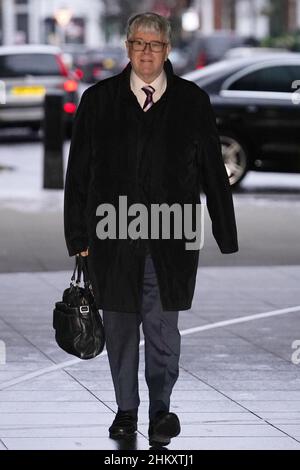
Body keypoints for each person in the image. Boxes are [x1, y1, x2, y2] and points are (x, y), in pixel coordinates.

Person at [64, 12, 238, 447]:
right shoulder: (98, 100)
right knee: (121, 333)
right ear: (128, 48)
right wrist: (78, 238)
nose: (146, 52)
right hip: (111, 240)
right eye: (139, 44)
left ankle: (161, 410)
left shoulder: (191, 101)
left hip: (171, 241)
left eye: (155, 45)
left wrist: (225, 231)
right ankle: (126, 412)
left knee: (163, 333)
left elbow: (213, 170)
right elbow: (78, 174)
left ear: (166, 50)